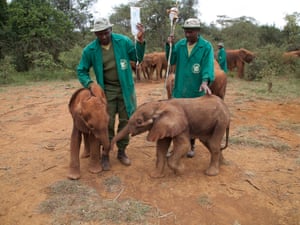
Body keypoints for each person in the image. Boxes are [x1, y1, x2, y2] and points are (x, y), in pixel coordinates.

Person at [77, 17, 146, 167]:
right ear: (95, 34)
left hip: (126, 89)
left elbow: (138, 58)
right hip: (105, 92)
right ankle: (105, 153)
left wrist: (140, 42)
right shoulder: (90, 50)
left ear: (111, 30)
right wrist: (90, 84)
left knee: (126, 120)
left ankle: (122, 151)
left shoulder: (124, 42)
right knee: (105, 123)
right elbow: (81, 70)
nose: (103, 36)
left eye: (105, 33)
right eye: (99, 34)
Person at [166, 18, 215, 158]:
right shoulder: (180, 45)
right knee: (176, 119)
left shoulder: (206, 46)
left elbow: (207, 66)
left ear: (198, 31)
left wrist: (205, 81)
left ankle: (191, 145)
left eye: (191, 32)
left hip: (195, 89)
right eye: (186, 32)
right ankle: (176, 147)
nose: (188, 35)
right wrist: (169, 45)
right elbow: (171, 60)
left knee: (192, 120)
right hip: (180, 88)